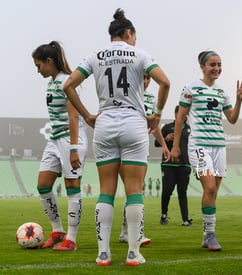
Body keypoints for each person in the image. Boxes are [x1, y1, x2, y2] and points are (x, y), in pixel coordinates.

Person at [63, 8, 170, 266]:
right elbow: (165, 82)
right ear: (130, 33)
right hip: (134, 123)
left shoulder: (95, 56)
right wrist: (156, 114)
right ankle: (133, 253)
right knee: (134, 190)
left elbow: (68, 85)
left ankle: (103, 254)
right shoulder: (140, 54)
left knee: (106, 191)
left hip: (105, 123)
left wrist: (87, 114)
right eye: (135, 36)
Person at [171, 50, 242, 251]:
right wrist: (176, 146)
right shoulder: (191, 88)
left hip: (219, 146)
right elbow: (180, 118)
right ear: (203, 67)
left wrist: (239, 101)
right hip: (199, 146)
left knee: (213, 192)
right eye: (212, 65)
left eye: (219, 64)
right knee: (210, 188)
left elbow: (232, 119)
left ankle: (207, 235)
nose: (217, 68)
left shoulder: (222, 92)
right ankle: (211, 234)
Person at [32, 41, 88, 251]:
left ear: (49, 61)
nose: (38, 71)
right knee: (43, 185)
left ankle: (71, 239)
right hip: (54, 139)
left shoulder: (67, 82)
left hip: (70, 139)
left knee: (72, 187)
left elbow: (73, 116)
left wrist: (74, 148)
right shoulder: (52, 82)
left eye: (39, 66)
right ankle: (58, 230)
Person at [118, 72, 169, 245]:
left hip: (141, 147)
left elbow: (154, 126)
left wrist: (163, 145)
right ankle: (131, 233)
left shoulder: (150, 97)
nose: (146, 81)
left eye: (148, 78)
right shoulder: (125, 93)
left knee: (135, 189)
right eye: (142, 78)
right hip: (123, 145)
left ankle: (127, 232)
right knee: (132, 189)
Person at [155, 105, 192, 226]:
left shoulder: (189, 129)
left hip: (184, 165)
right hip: (169, 164)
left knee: (183, 192)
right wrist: (165, 138)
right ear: (176, 114)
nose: (184, 115)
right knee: (167, 190)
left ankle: (185, 219)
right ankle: (163, 215)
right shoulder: (167, 127)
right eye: (182, 113)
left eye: (186, 113)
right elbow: (156, 143)